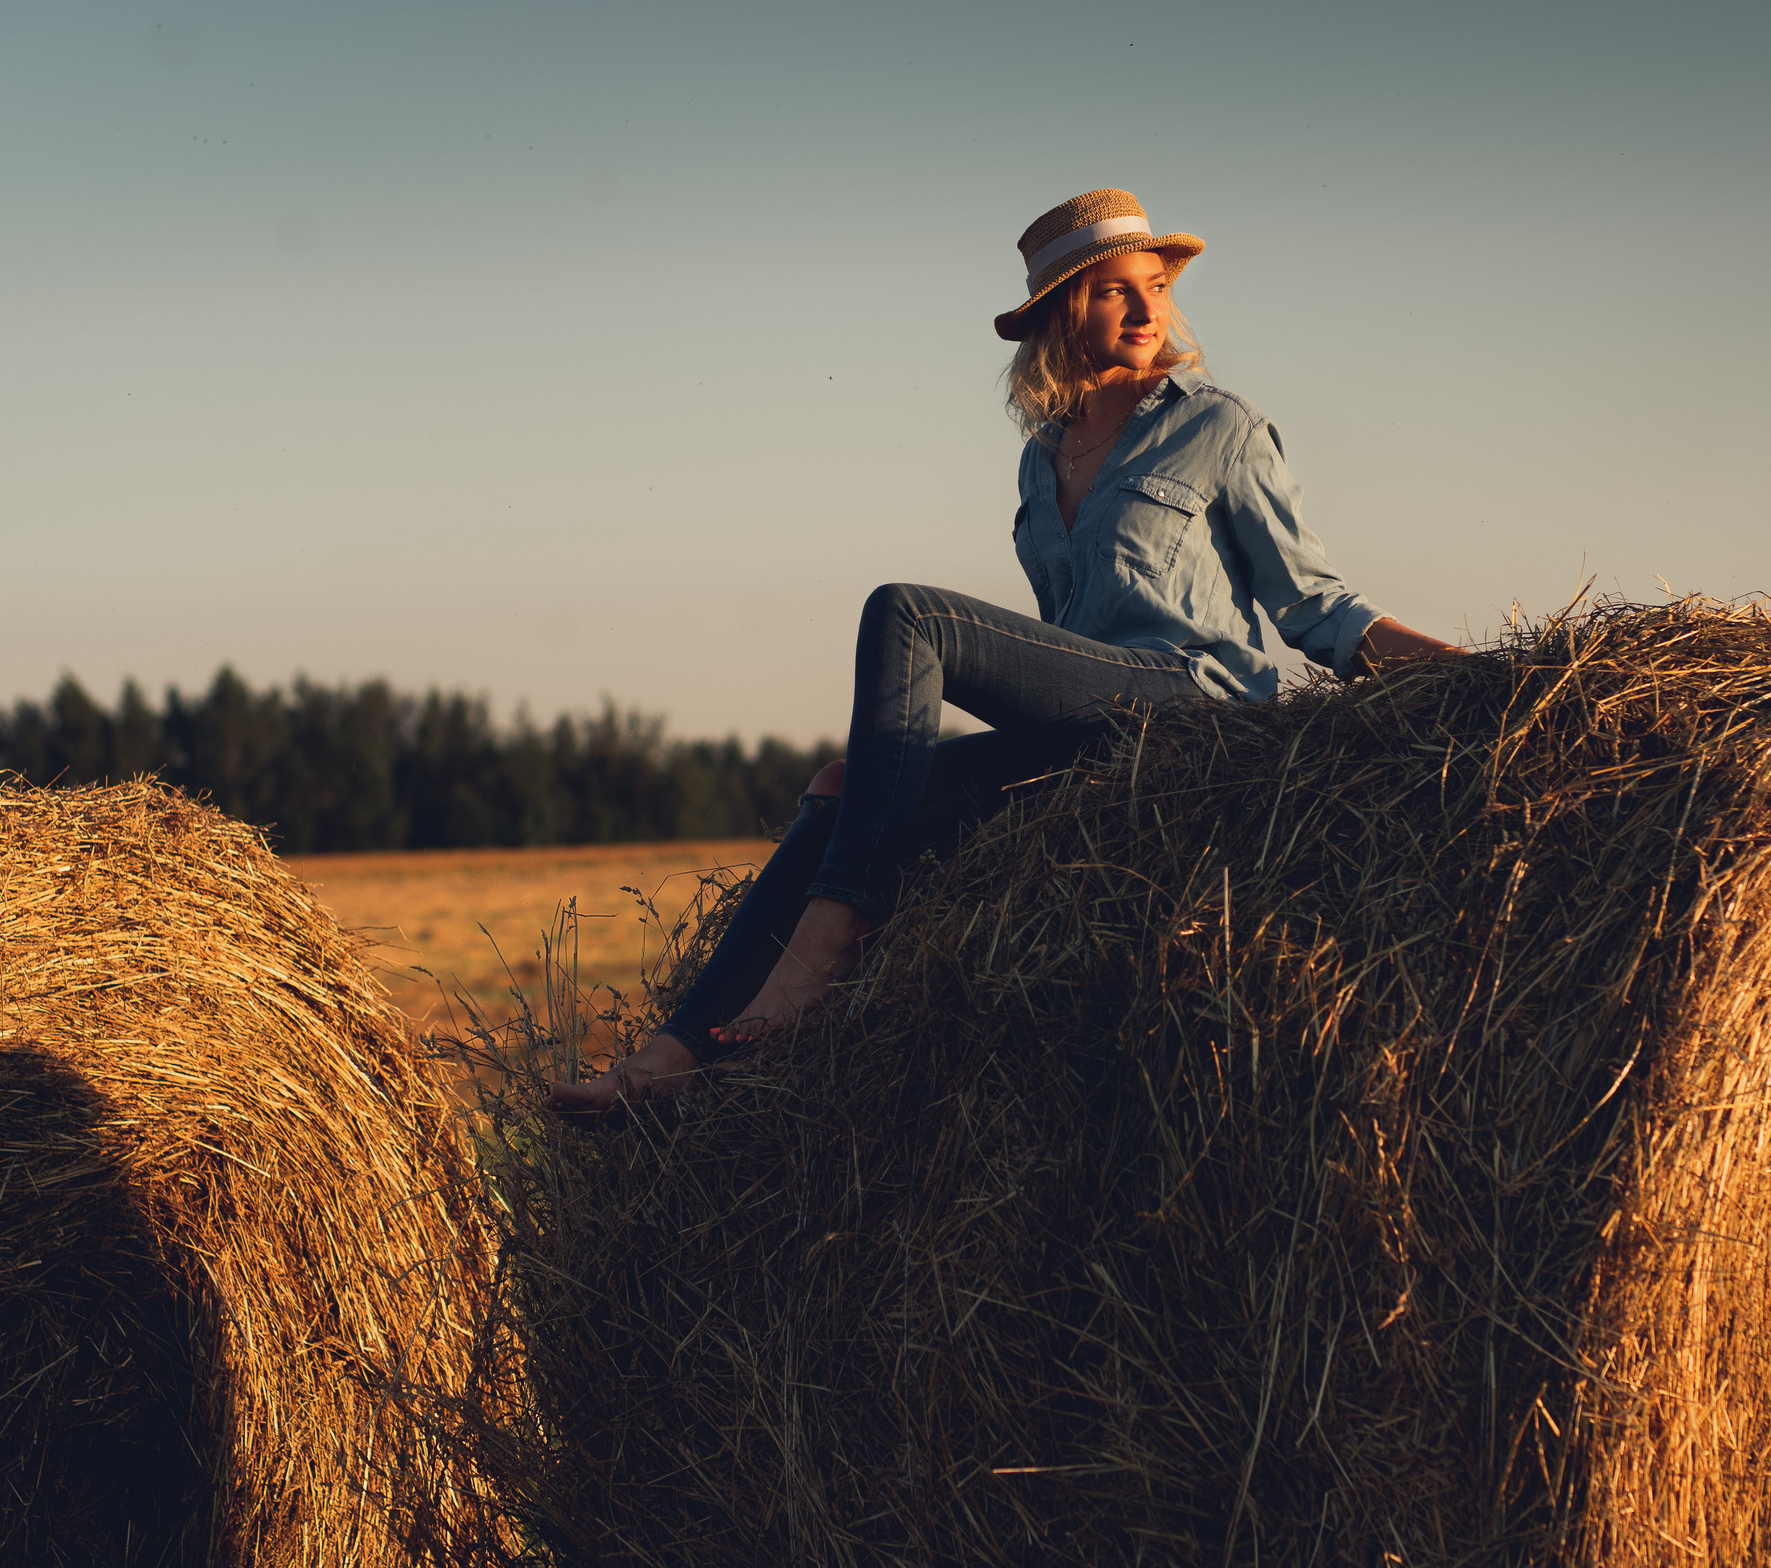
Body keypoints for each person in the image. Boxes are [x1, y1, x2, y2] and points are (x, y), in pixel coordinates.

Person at [546, 188, 1461, 1116]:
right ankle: (667, 1061)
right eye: (1114, 291)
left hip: (1193, 715)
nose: (1148, 310)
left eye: (1155, 287)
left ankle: (828, 943)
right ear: (1064, 313)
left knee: (909, 614)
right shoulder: (1041, 456)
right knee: (837, 791)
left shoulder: (1219, 426)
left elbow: (1316, 605)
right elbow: (1061, 648)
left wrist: (1480, 679)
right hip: (1091, 735)